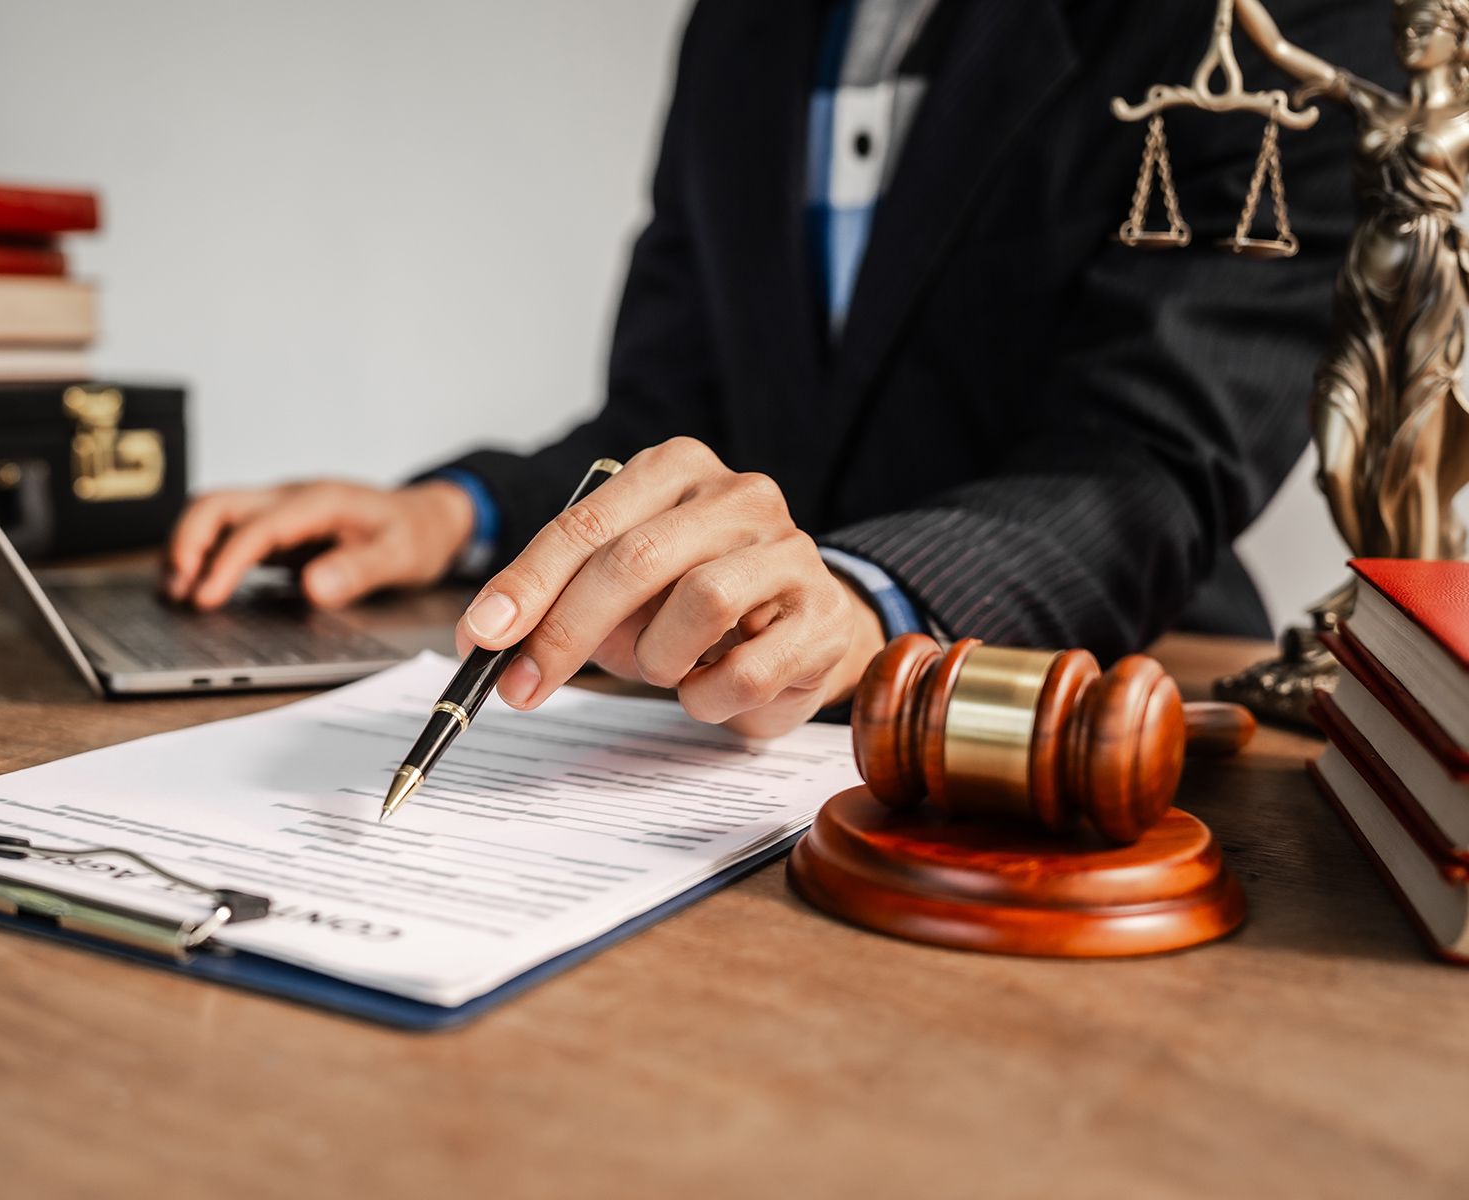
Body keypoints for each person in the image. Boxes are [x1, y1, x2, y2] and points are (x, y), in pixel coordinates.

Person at [166, 0, 1396, 739]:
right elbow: (668, 415)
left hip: (1069, 713)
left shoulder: (1268, 23)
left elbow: (1154, 463)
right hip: (698, 729)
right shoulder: (741, 24)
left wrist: (866, 594)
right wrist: (456, 509)